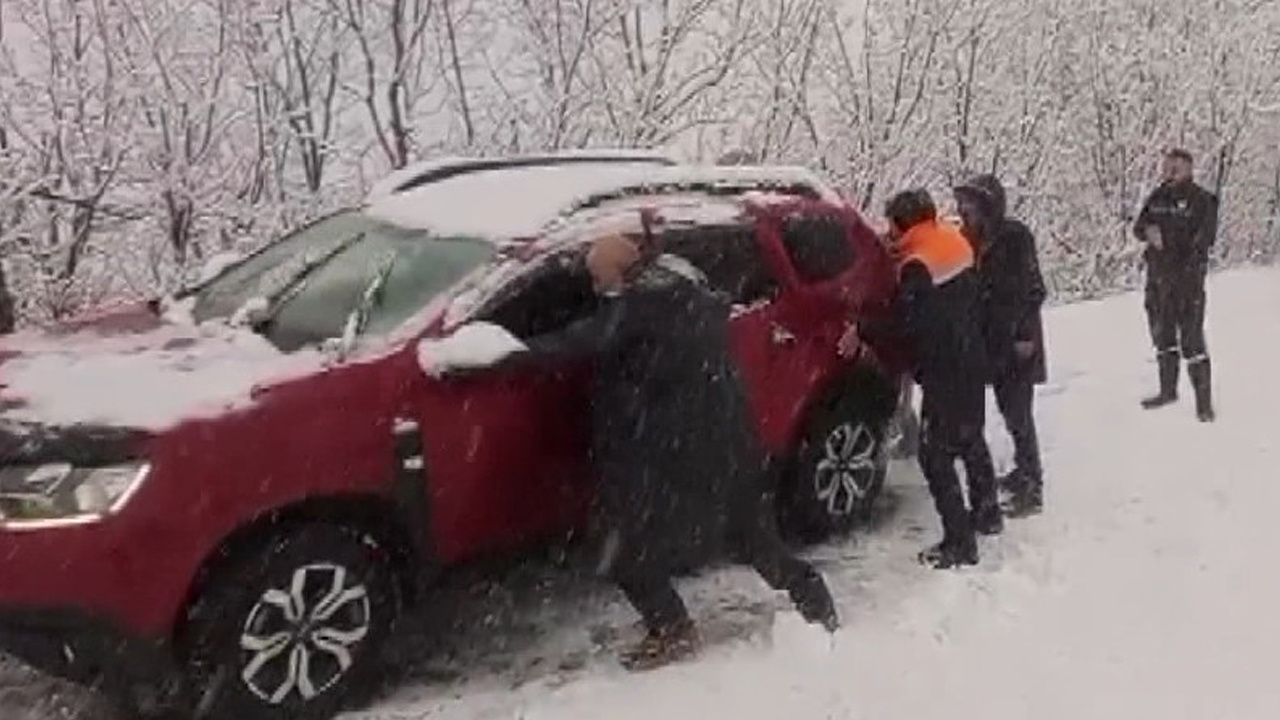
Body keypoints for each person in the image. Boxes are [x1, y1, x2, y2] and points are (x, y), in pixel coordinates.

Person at [479, 233, 839, 669]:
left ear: (621, 274)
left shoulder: (638, 310)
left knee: (622, 550)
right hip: (724, 443)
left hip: (674, 453)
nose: (596, 289)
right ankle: (814, 599)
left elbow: (572, 342)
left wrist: (501, 353)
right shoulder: (686, 292)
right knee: (750, 536)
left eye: (599, 279)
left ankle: (672, 629)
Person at [845, 190, 998, 568]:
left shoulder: (917, 265)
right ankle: (987, 511)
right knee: (970, 435)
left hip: (945, 367)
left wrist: (862, 330)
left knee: (934, 455)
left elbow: (906, 323)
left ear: (903, 224)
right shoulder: (952, 240)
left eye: (892, 226)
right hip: (972, 356)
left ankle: (960, 542)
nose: (889, 233)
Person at [954, 174, 1047, 518]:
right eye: (962, 203)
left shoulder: (1014, 237)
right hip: (989, 338)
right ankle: (1021, 473)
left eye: (970, 204)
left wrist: (1023, 334)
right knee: (1005, 410)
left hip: (1016, 337)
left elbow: (1033, 288)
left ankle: (1032, 485)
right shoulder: (970, 239)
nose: (963, 210)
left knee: (1018, 412)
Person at [1133, 148, 1219, 422]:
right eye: (1167, 167)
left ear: (1189, 169)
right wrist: (1148, 231)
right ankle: (1167, 390)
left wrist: (1176, 251)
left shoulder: (1202, 200)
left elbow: (1205, 238)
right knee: (1162, 336)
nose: (1170, 173)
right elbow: (1139, 226)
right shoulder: (1158, 197)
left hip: (1187, 281)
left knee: (1192, 339)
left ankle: (1203, 404)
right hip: (1158, 280)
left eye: (1176, 168)